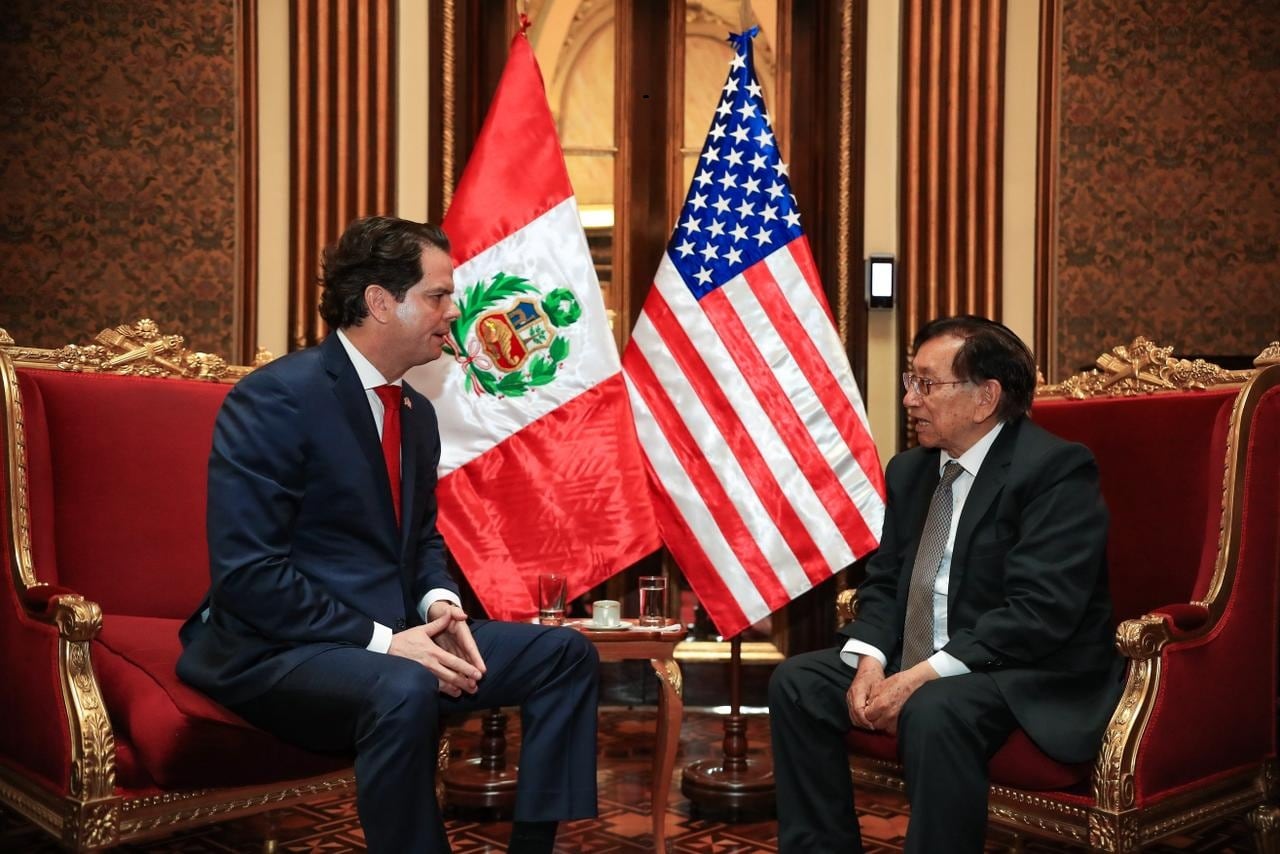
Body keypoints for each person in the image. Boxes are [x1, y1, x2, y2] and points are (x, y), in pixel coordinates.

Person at [177, 216, 599, 853]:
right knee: (403, 685)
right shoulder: (275, 399)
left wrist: (440, 604)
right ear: (380, 301)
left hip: (399, 630)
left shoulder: (417, 414)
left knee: (564, 655)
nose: (455, 312)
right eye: (438, 295)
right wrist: (385, 643)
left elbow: (421, 540)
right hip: (276, 650)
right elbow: (250, 577)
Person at [768, 315, 1124, 854]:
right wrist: (869, 662)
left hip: (1021, 668)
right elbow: (885, 582)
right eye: (912, 382)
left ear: (986, 397)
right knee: (797, 682)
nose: (910, 400)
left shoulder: (1055, 470)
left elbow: (1039, 612)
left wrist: (916, 678)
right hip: (924, 655)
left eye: (926, 384)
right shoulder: (912, 471)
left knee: (933, 708)